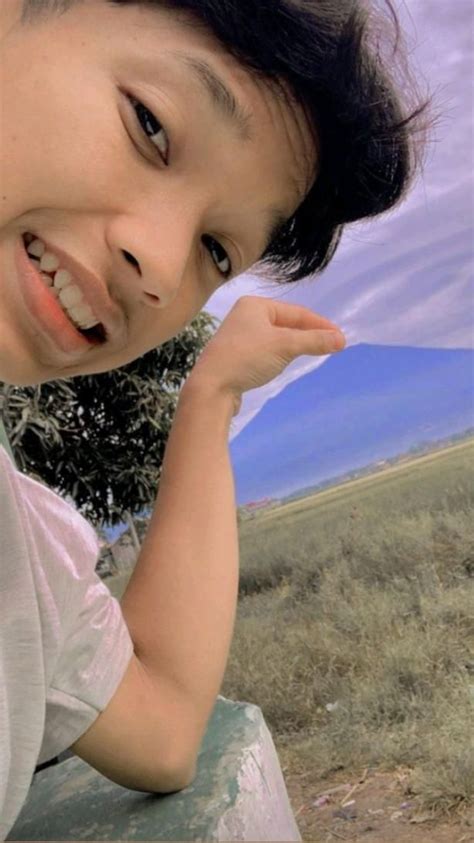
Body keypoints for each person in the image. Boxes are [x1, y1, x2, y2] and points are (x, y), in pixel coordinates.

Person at [0, 0, 430, 836]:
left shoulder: (18, 553)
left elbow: (161, 726)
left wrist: (212, 396)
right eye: (151, 126)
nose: (161, 268)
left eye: (216, 250)